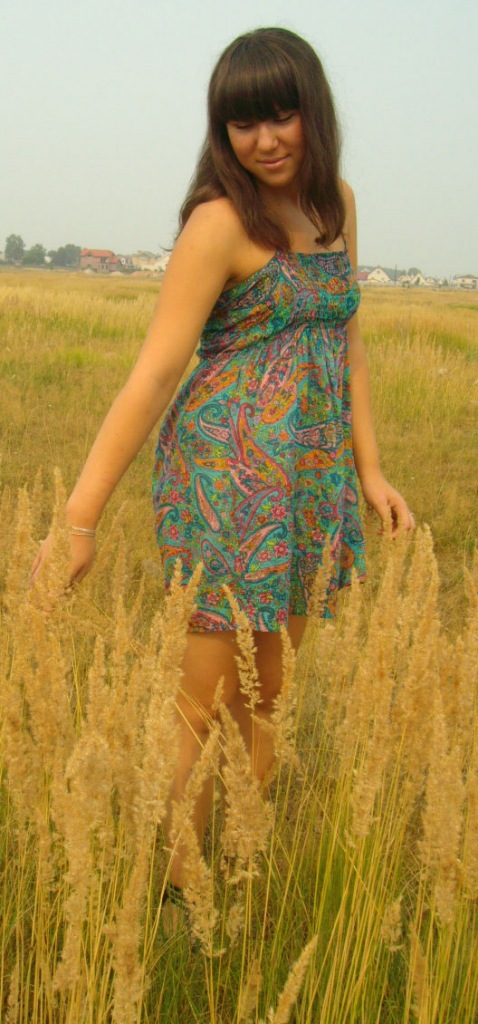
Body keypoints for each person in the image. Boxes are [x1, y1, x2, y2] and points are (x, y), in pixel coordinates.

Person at [32, 27, 414, 926]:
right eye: (244, 123)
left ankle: (239, 862)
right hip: (226, 480)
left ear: (313, 111)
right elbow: (155, 373)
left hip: (308, 478)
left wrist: (369, 468)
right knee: (200, 698)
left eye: (281, 115)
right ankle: (174, 892)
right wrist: (79, 520)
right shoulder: (219, 223)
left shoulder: (336, 204)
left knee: (271, 689)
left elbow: (347, 342)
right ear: (223, 132)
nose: (265, 139)